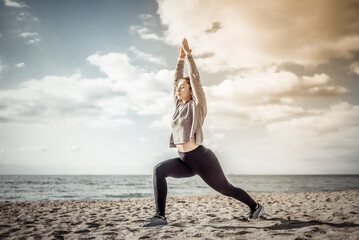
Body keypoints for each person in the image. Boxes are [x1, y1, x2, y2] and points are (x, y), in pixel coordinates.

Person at [143, 38, 264, 227]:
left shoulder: (197, 105)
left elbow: (195, 79)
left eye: (183, 87)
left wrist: (189, 56)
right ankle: (160, 216)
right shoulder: (178, 105)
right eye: (178, 88)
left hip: (202, 160)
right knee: (159, 170)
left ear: (191, 91)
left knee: (227, 189)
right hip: (185, 161)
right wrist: (179, 59)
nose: (178, 89)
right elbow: (176, 79)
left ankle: (255, 206)